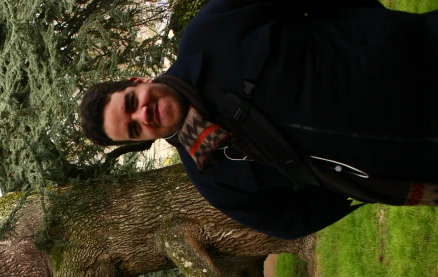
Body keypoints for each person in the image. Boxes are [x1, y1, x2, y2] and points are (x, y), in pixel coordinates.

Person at [79, 0, 438, 239]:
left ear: (138, 82)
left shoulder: (210, 30)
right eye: (133, 128)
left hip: (423, 55)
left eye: (132, 102)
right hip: (422, 162)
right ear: (142, 140)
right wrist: (352, 183)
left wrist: (376, 30)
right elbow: (291, 221)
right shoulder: (211, 178)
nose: (143, 114)